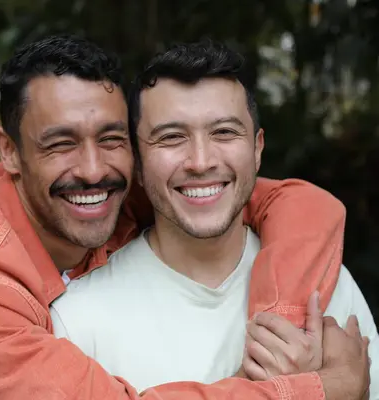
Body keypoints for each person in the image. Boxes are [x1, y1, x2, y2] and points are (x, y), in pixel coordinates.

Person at [0, 35, 352, 399]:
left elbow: (300, 204)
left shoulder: (123, 192)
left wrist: (279, 333)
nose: (93, 171)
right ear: (10, 152)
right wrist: (321, 388)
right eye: (61, 143)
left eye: (111, 139)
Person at [50, 40, 376, 397]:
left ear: (257, 149)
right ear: (137, 165)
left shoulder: (322, 281)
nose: (201, 161)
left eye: (224, 132)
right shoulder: (79, 317)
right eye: (172, 137)